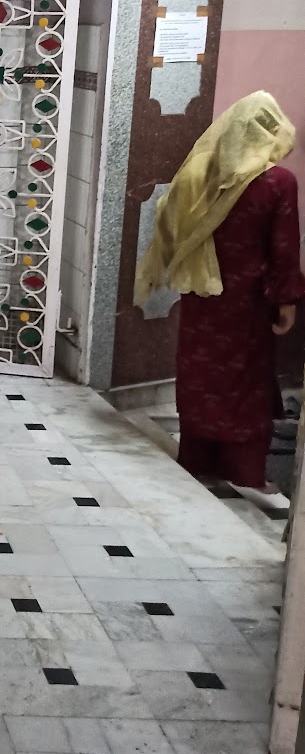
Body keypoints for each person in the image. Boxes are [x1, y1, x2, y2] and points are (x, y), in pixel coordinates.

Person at [136, 92, 305, 493]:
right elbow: (284, 248)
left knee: (201, 373)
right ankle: (245, 473)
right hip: (247, 301)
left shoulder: (201, 175)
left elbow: (170, 222)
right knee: (245, 382)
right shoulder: (277, 182)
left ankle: (197, 461)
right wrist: (287, 300)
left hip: (201, 295)